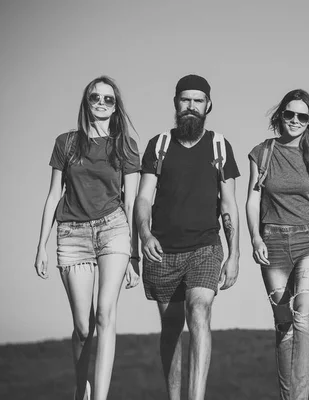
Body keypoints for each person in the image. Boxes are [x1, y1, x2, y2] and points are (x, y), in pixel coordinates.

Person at [34, 76, 141, 400]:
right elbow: (54, 195)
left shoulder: (125, 146)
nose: (101, 103)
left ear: (115, 106)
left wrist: (134, 257)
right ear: (86, 101)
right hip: (72, 234)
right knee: (84, 328)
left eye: (109, 99)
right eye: (96, 97)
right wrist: (41, 245)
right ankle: (82, 386)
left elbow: (132, 202)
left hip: (113, 230)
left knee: (105, 313)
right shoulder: (66, 143)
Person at [135, 74, 240, 400]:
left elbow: (229, 203)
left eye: (198, 100)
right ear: (176, 103)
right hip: (162, 252)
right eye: (185, 100)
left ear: (208, 105)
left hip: (205, 248)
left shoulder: (220, 146)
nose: (191, 106)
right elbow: (142, 198)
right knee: (170, 329)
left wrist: (234, 254)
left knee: (199, 310)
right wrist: (144, 233)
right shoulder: (159, 145)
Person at [246, 89, 309, 400]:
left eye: (302, 116)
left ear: (308, 121)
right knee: (284, 323)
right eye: (289, 114)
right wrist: (254, 237)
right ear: (280, 116)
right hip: (274, 242)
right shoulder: (262, 153)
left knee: (303, 308)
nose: (294, 120)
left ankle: (301, 397)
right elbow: (252, 199)